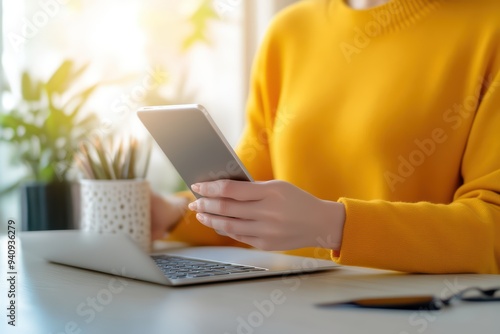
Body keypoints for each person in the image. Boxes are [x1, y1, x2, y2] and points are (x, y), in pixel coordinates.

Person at [150, 0, 500, 274]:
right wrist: (170, 212)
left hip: (405, 313)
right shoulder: (289, 31)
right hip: (285, 310)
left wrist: (332, 225)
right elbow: (248, 197)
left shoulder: (489, 25)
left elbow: (492, 230)